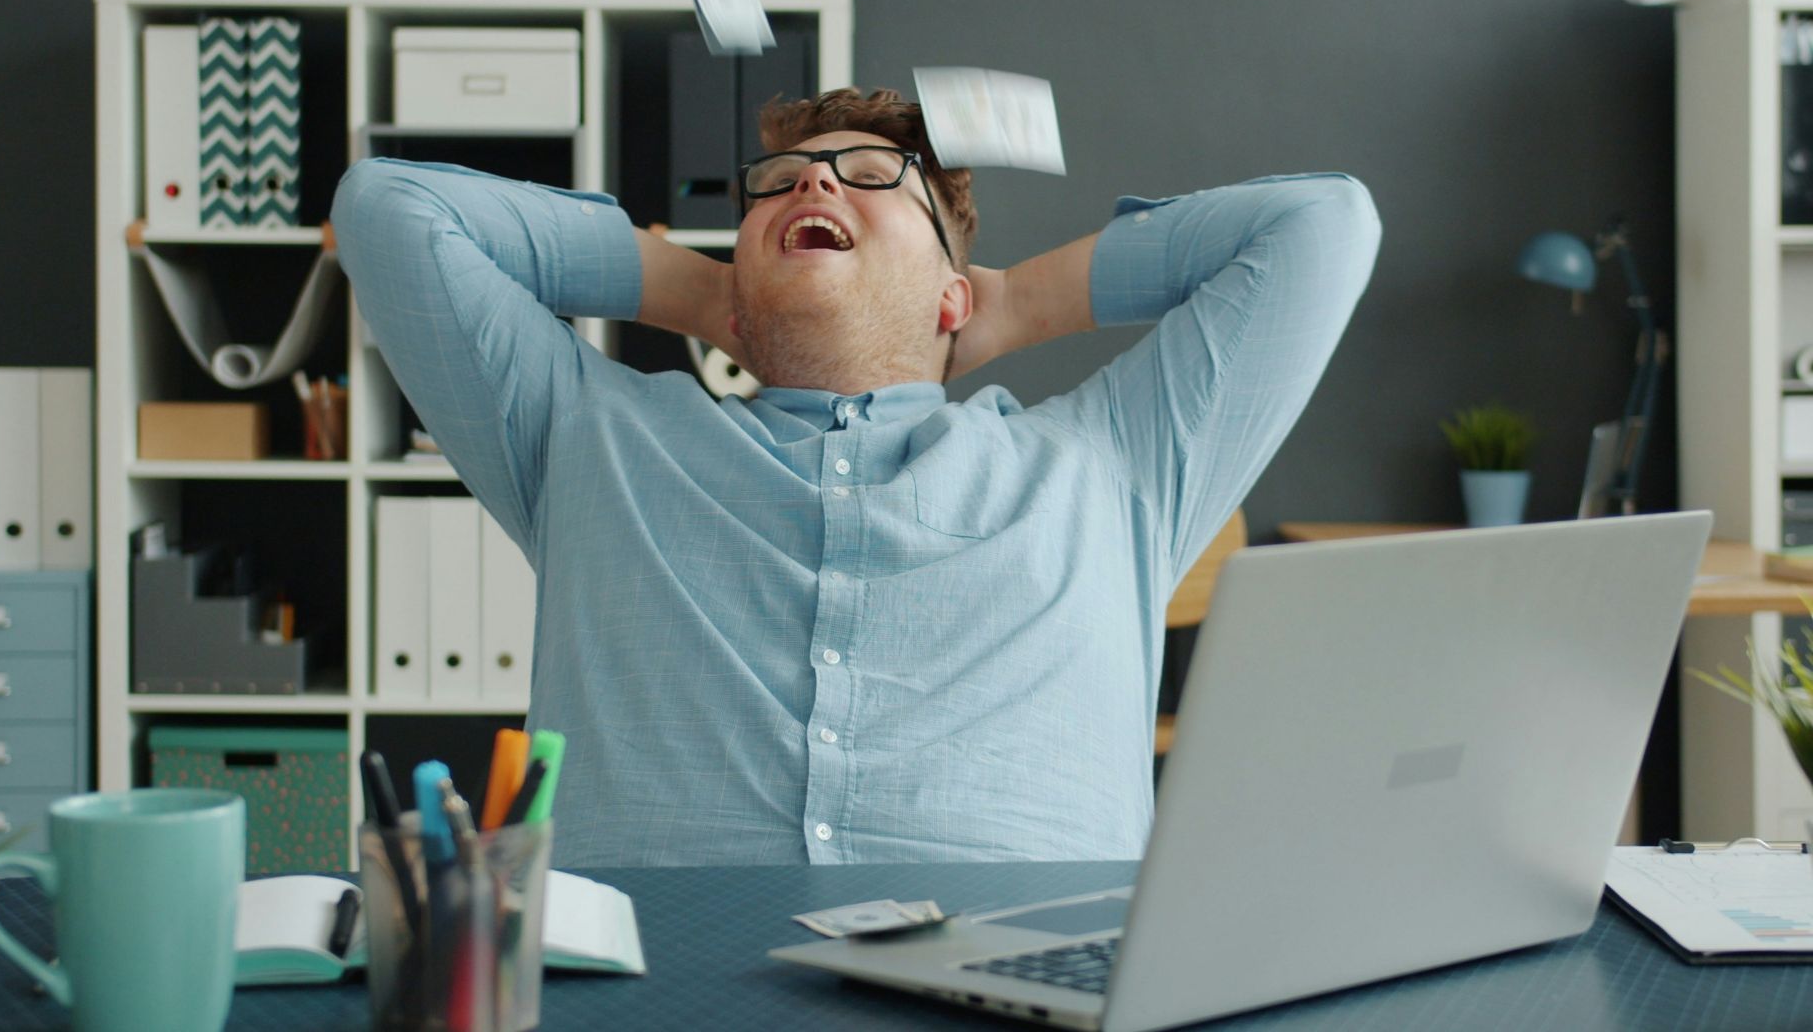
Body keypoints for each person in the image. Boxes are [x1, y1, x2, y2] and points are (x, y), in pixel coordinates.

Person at [332, 87, 1381, 867]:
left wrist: (1012, 301)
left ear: (951, 292)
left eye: (874, 177)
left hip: (1030, 995)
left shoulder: (1111, 467)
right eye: (779, 186)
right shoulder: (582, 432)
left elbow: (1321, 229)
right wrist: (714, 296)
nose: (816, 182)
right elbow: (389, 209)